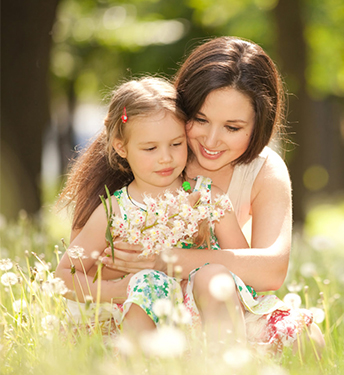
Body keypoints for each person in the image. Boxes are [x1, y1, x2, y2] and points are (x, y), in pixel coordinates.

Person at [96, 37, 325, 353]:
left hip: (222, 303)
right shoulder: (152, 153)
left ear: (259, 125)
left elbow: (271, 271)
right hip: (154, 308)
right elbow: (95, 261)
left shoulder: (263, 170)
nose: (212, 141)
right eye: (200, 120)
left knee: (307, 340)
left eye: (232, 127)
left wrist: (174, 259)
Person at [55, 77, 249, 337]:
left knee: (216, 279)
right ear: (121, 147)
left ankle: (224, 361)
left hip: (203, 321)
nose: (166, 158)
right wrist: (122, 289)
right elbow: (65, 275)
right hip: (137, 321)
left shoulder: (208, 198)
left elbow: (245, 267)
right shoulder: (115, 211)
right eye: (150, 148)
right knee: (148, 284)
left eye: (176, 144)